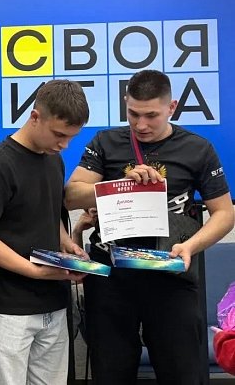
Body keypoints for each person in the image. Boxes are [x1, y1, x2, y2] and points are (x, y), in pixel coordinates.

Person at [64, 69, 234, 384]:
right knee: (110, 372)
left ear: (172, 107)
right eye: (133, 114)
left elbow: (224, 213)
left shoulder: (197, 149)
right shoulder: (105, 142)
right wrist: (118, 185)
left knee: (182, 372)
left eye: (151, 115)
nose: (141, 124)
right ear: (125, 103)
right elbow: (71, 195)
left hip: (170, 275)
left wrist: (191, 246)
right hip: (111, 277)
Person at [0, 79, 90, 385]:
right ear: (35, 117)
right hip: (8, 307)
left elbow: (47, 213)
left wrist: (68, 246)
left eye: (71, 137)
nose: (64, 145)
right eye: (59, 134)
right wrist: (33, 271)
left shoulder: (54, 160)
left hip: (54, 302)